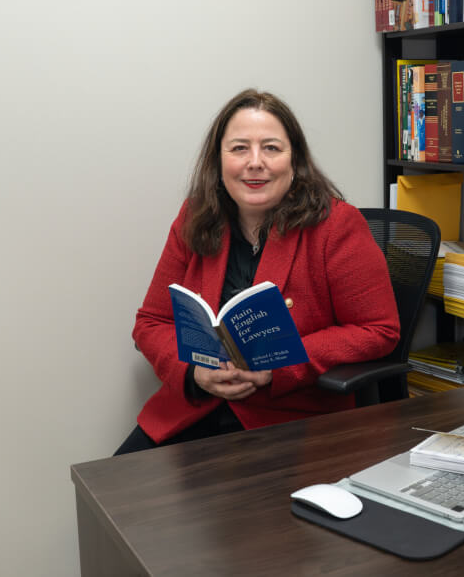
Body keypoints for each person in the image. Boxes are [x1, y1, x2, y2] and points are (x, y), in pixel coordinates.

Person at [115, 89, 400, 455]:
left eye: (271, 148)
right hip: (194, 408)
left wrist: (278, 367)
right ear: (218, 161)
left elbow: (378, 330)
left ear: (295, 160)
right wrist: (193, 373)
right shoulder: (194, 218)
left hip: (290, 419)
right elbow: (151, 322)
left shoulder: (337, 225)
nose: (255, 162)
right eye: (239, 148)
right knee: (111, 486)